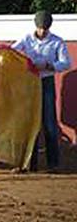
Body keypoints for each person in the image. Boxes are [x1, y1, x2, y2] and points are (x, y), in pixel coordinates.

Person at [11, 10, 71, 172]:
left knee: (49, 123)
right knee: (28, 122)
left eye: (45, 27)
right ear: (36, 26)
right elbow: (12, 52)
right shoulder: (26, 38)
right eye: (40, 27)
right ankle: (27, 164)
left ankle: (53, 164)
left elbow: (66, 63)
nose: (43, 30)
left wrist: (50, 66)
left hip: (46, 82)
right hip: (29, 83)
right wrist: (24, 64)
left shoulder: (57, 41)